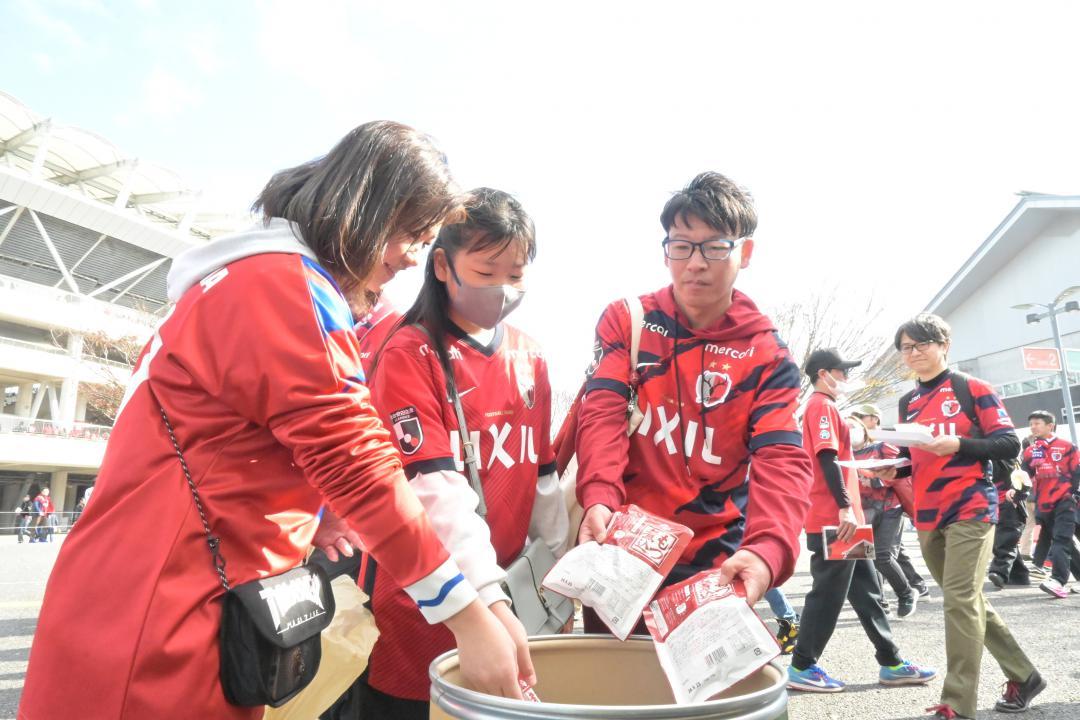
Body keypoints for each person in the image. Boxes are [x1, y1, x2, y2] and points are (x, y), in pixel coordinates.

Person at [19, 121, 528, 720]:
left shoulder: (251, 276)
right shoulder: (284, 287)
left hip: (157, 588)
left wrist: (316, 509)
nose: (412, 256)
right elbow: (358, 464)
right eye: (410, 233)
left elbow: (232, 439)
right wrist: (465, 615)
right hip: (167, 609)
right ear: (366, 208)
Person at [357, 187, 568, 719]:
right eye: (487, 270)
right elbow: (431, 492)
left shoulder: (530, 357)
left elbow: (542, 479)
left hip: (510, 599)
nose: (502, 288)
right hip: (421, 602)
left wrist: (557, 574)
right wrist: (485, 600)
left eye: (516, 274)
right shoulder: (410, 351)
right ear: (443, 266)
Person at [575, 171, 813, 627]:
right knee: (611, 689)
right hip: (622, 547)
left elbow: (781, 458)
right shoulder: (629, 320)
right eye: (681, 245)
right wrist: (599, 496)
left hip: (715, 561)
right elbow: (602, 413)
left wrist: (768, 550)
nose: (695, 263)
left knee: (704, 696)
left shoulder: (766, 353)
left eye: (715, 246)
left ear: (745, 252)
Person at [880, 313, 1043, 719]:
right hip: (927, 511)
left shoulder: (972, 388)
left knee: (958, 599)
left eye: (921, 345)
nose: (914, 353)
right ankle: (1024, 675)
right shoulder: (908, 401)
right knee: (966, 599)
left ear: (943, 346)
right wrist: (894, 468)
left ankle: (957, 704)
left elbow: (1007, 443)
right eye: (906, 347)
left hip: (971, 505)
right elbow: (914, 455)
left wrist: (959, 444)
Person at [787, 349, 935, 693]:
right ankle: (802, 666)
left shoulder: (827, 407)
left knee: (868, 591)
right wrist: (843, 506)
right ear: (824, 373)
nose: (847, 379)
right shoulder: (820, 406)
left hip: (846, 515)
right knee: (827, 593)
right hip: (835, 517)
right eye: (842, 371)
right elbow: (825, 457)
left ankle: (892, 661)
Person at [849, 404, 928, 612]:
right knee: (864, 559)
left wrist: (876, 482)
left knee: (883, 555)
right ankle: (880, 602)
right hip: (861, 512)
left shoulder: (881, 447)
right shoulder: (843, 454)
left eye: (855, 423)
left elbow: (902, 472)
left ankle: (907, 592)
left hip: (888, 507)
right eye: (846, 426)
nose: (850, 430)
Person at [1022, 410, 1080, 597]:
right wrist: (1014, 491)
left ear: (1050, 425)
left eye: (1037, 423)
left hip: (1065, 502)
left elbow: (1077, 472)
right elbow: (1024, 476)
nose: (1033, 427)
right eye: (1031, 424)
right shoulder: (1030, 451)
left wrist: (1072, 494)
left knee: (1061, 541)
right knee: (1063, 543)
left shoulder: (1066, 447)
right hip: (1042, 504)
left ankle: (1058, 581)